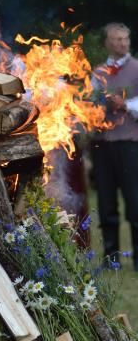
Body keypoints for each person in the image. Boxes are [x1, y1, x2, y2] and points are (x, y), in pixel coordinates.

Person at [92, 22, 138, 270]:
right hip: (102, 146)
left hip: (130, 145)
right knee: (106, 203)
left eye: (126, 39)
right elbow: (89, 104)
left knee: (135, 201)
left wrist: (126, 105)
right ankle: (111, 258)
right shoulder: (98, 72)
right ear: (107, 42)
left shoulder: (137, 69)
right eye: (118, 39)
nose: (123, 43)